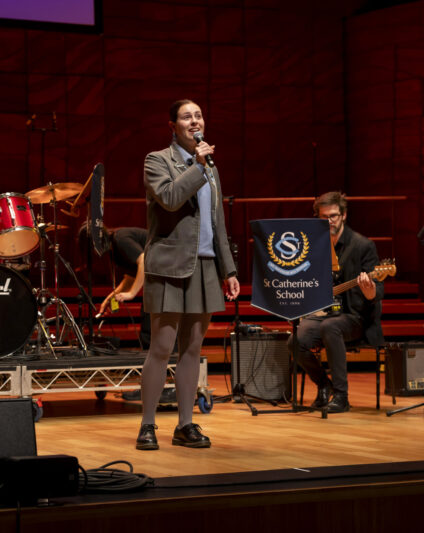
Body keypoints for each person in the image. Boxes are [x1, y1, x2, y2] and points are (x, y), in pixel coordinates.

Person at [136, 99, 239, 450]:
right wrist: (197, 165)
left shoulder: (210, 166)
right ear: (172, 126)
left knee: (193, 348)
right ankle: (147, 425)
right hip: (169, 265)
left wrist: (228, 268)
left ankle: (185, 424)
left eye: (198, 115)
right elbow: (169, 198)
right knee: (161, 348)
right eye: (186, 117)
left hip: (206, 264)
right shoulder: (157, 160)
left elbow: (217, 222)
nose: (194, 121)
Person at [290, 191, 384, 413]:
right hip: (325, 314)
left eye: (333, 216)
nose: (329, 221)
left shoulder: (362, 245)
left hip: (356, 318)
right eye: (324, 217)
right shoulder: (315, 246)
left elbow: (377, 291)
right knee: (296, 339)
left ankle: (341, 396)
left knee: (330, 327)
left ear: (343, 215)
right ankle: (324, 386)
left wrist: (369, 290)